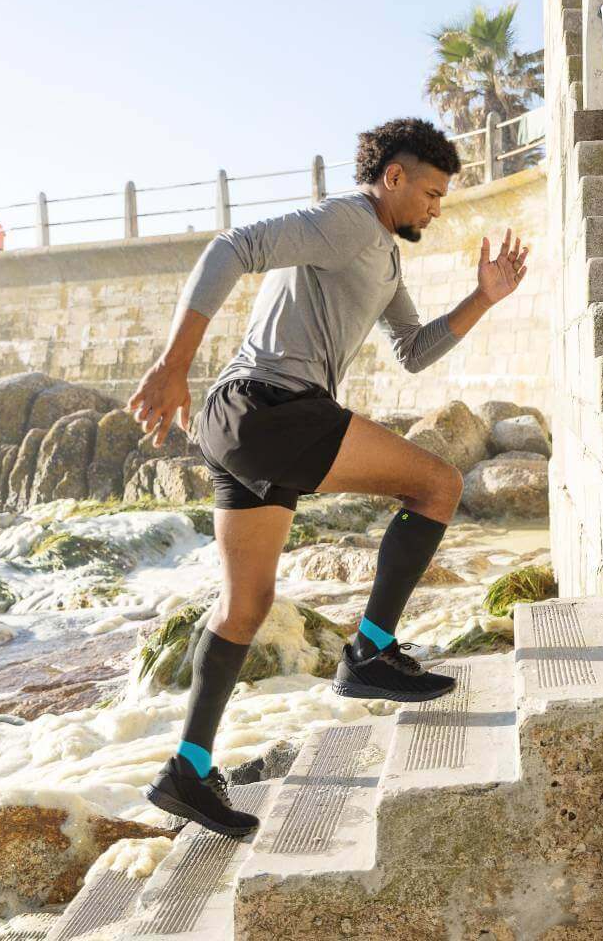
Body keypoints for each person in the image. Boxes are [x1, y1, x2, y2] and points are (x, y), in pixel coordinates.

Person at [127, 117, 529, 837]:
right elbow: (232, 247)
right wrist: (173, 361)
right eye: (431, 194)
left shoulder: (382, 256)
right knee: (438, 485)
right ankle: (370, 649)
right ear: (393, 177)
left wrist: (484, 298)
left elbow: (412, 350)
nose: (436, 209)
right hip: (270, 408)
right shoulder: (345, 221)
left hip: (235, 424)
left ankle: (186, 770)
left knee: (244, 607)